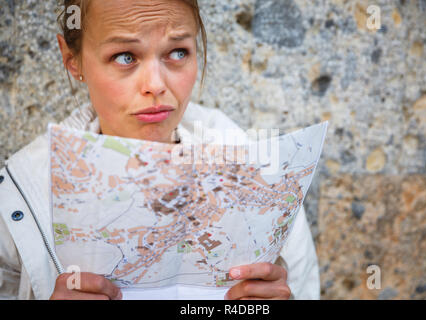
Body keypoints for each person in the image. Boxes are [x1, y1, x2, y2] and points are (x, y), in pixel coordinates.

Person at [0, 0, 320, 300]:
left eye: (178, 52)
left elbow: (304, 286)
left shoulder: (261, 174)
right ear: (73, 60)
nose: (155, 84)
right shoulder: (19, 196)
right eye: (125, 56)